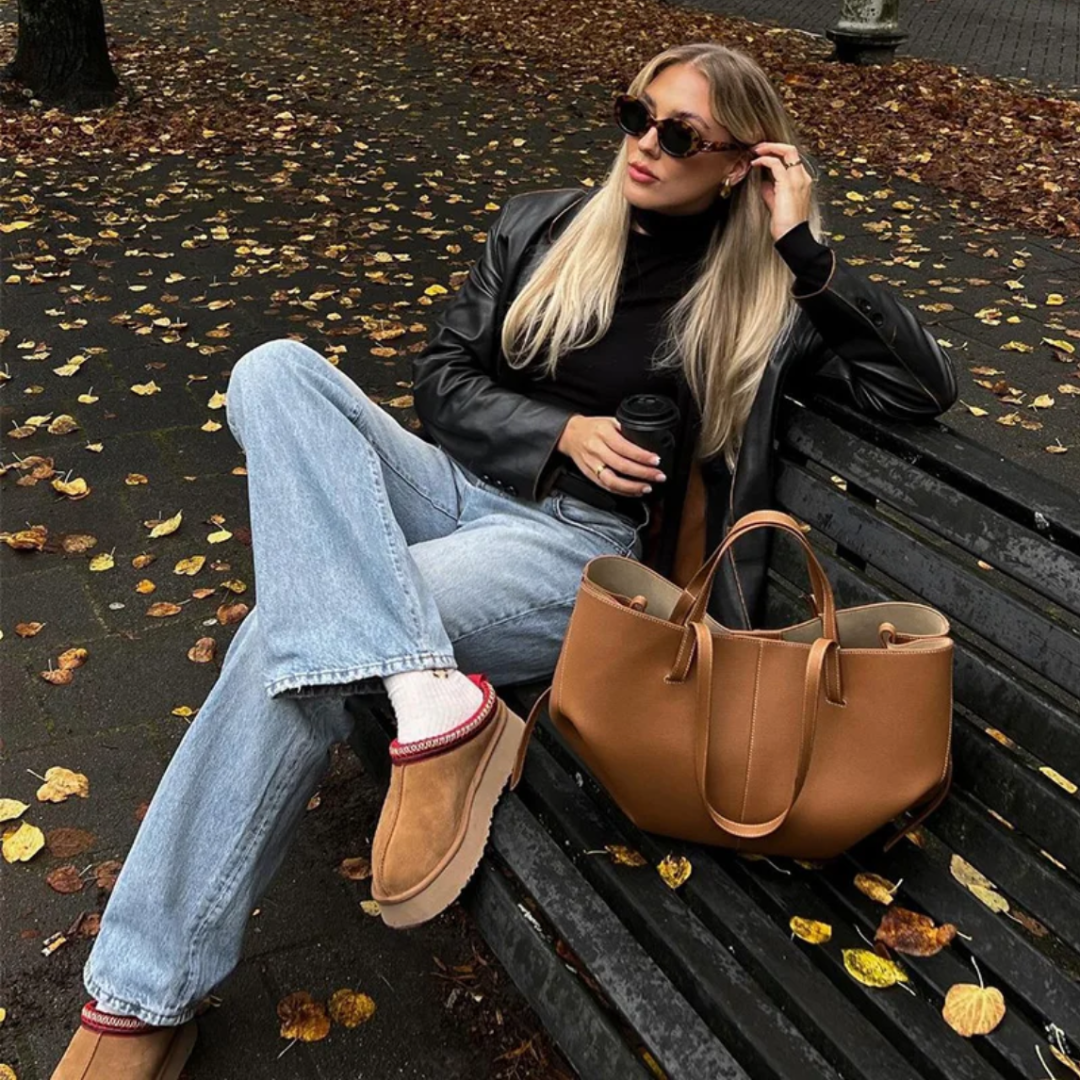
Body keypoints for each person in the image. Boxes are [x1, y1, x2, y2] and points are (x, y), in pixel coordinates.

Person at [51, 41, 956, 1078]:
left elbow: (918, 387)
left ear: (739, 164)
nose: (644, 145)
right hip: (457, 487)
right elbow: (442, 380)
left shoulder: (767, 296)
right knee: (274, 371)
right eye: (636, 114)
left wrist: (802, 245)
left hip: (578, 552)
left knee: (284, 638)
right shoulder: (544, 226)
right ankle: (431, 694)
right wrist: (559, 433)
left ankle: (137, 1003)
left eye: (680, 135)